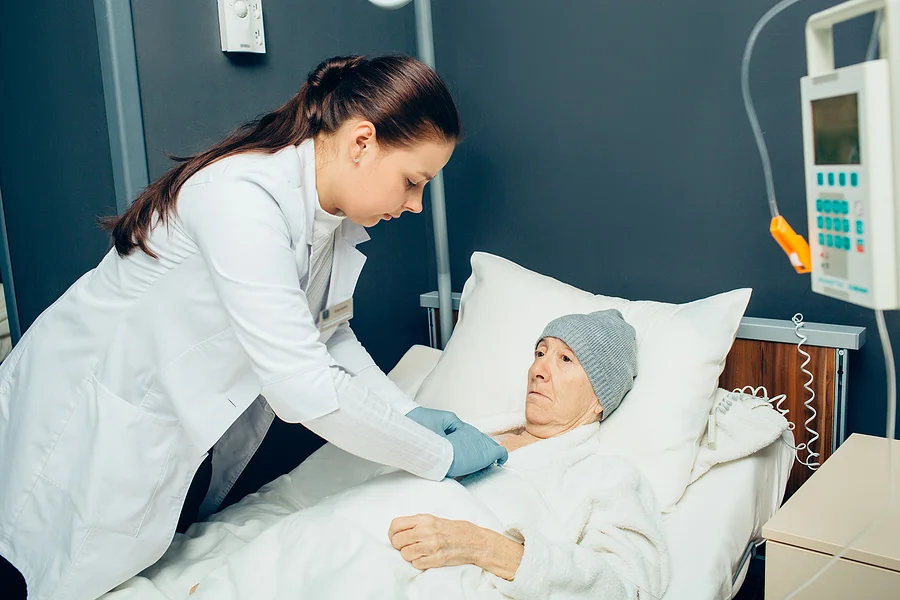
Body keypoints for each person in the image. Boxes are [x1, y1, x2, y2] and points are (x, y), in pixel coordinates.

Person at [0, 54, 506, 600]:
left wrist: (408, 412)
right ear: (362, 142)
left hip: (155, 435)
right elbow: (302, 387)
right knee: (27, 565)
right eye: (414, 180)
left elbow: (329, 335)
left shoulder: (327, 221)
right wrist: (437, 455)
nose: (414, 204)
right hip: (77, 420)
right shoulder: (241, 197)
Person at [131, 310, 667, 600]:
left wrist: (483, 547)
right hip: (345, 537)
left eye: (566, 359)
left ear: (600, 397)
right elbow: (346, 500)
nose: (539, 368)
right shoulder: (470, 434)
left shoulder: (609, 478)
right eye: (539, 352)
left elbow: (627, 585)